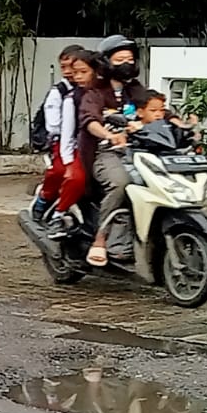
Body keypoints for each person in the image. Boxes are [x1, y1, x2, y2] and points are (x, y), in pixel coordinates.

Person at [78, 35, 149, 267]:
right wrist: (109, 134)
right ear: (107, 63)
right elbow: (90, 121)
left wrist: (181, 126)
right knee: (121, 183)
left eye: (130, 58)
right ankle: (100, 239)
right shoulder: (95, 92)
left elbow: (156, 109)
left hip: (138, 151)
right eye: (119, 59)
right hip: (104, 153)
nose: (126, 63)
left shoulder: (136, 90)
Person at [31, 45, 85, 222]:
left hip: (88, 142)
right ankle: (45, 198)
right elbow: (54, 126)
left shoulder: (93, 89)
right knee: (61, 170)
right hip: (63, 141)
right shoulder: (60, 92)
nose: (70, 72)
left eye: (74, 67)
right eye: (64, 67)